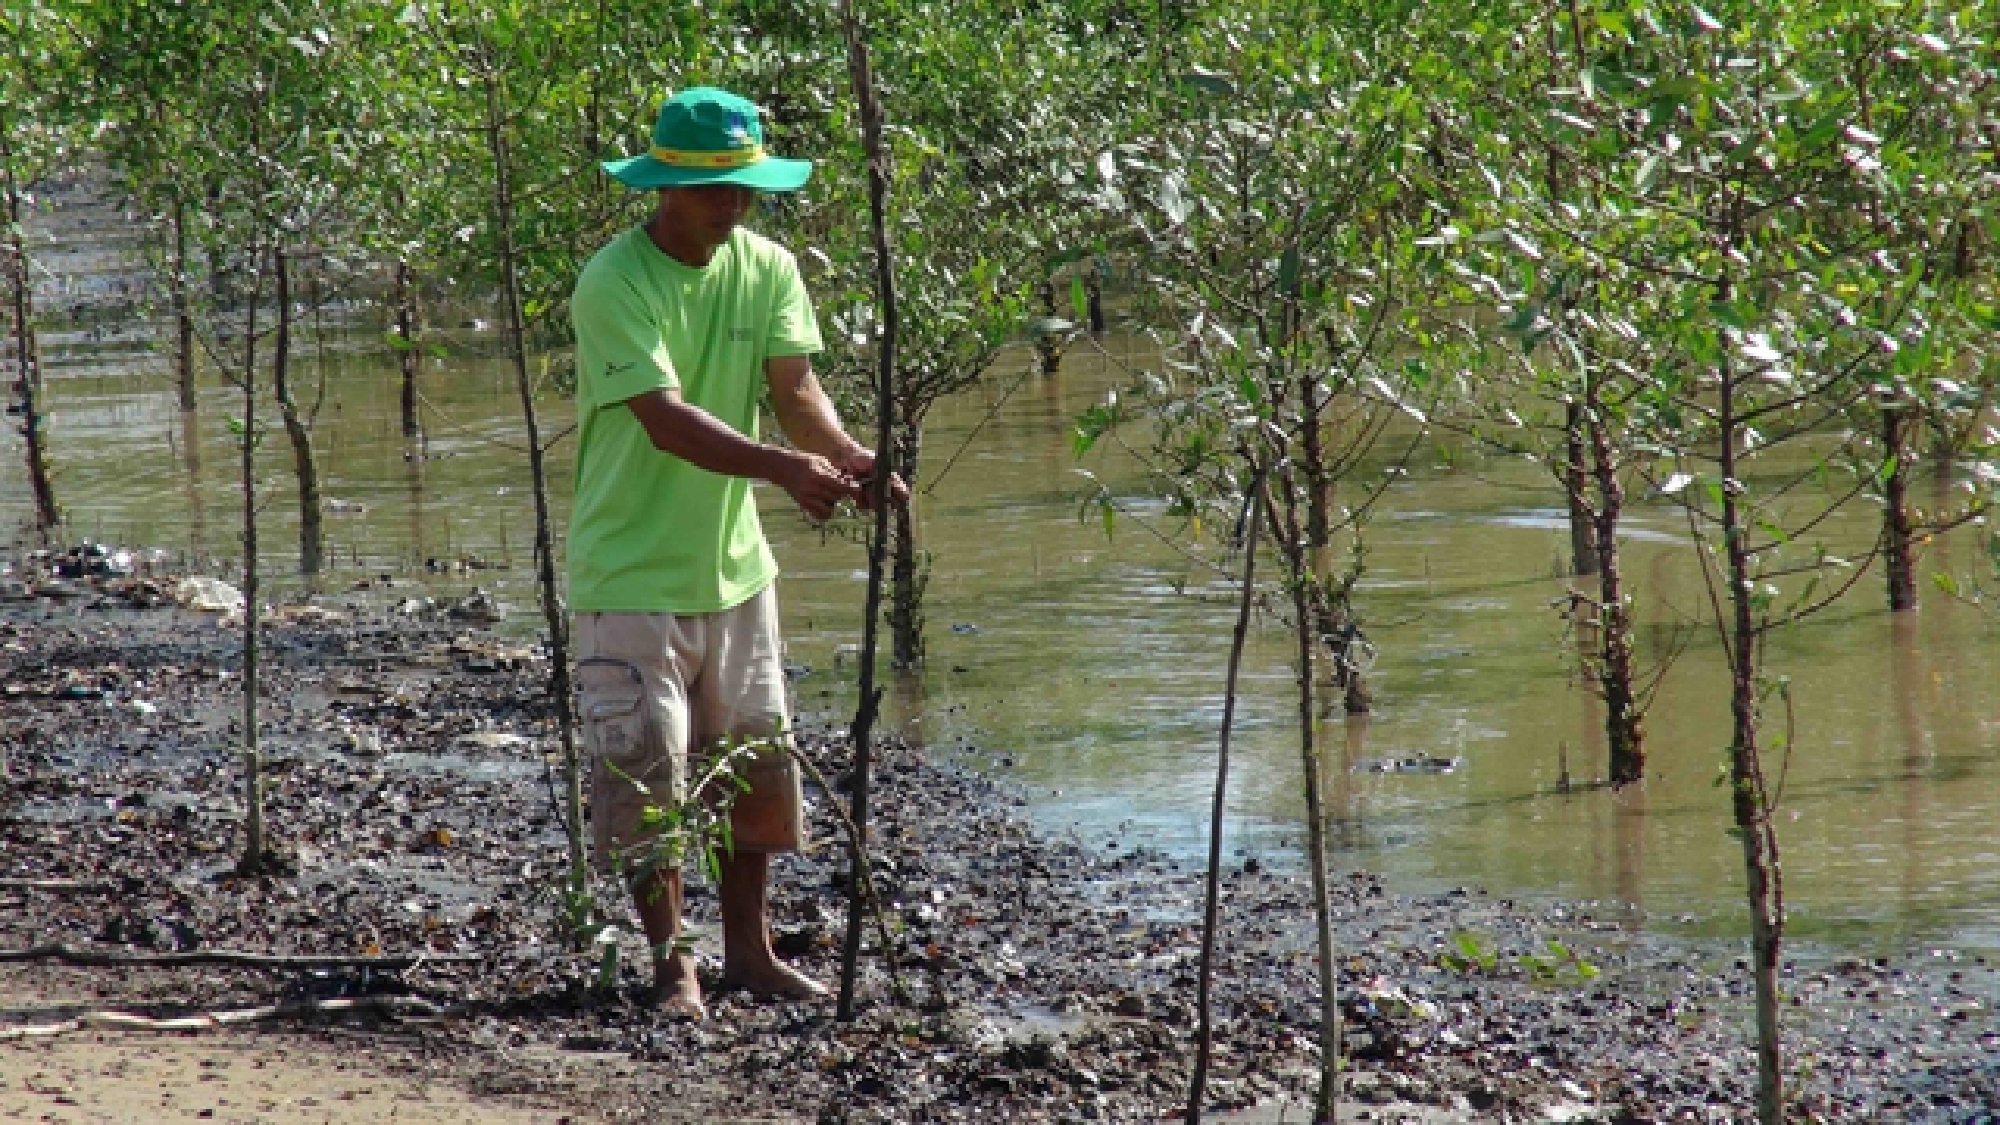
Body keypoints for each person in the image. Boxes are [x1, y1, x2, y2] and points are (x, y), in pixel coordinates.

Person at [568, 85, 904, 1018]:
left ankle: (748, 954)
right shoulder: (613, 281)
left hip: (735, 570)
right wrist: (787, 469)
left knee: (754, 768)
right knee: (648, 779)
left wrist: (846, 456)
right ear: (664, 186)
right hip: (629, 573)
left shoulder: (767, 267)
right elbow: (665, 420)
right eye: (716, 188)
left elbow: (796, 388)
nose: (734, 205)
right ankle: (673, 968)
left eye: (745, 186)